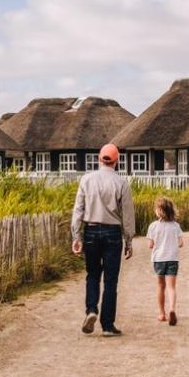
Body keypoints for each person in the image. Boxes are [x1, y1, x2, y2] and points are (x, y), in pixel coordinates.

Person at [71, 143, 135, 336]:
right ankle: (107, 325)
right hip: (112, 233)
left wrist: (76, 235)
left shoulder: (87, 180)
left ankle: (91, 310)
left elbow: (78, 209)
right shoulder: (121, 183)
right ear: (117, 161)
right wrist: (129, 240)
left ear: (99, 158)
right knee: (110, 280)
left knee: (92, 275)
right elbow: (128, 215)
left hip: (91, 231)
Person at [147, 196, 183, 325]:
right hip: (173, 259)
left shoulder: (153, 226)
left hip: (159, 260)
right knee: (171, 287)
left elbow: (150, 245)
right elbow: (180, 243)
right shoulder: (176, 226)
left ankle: (162, 313)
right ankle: (172, 310)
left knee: (160, 286)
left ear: (159, 211)